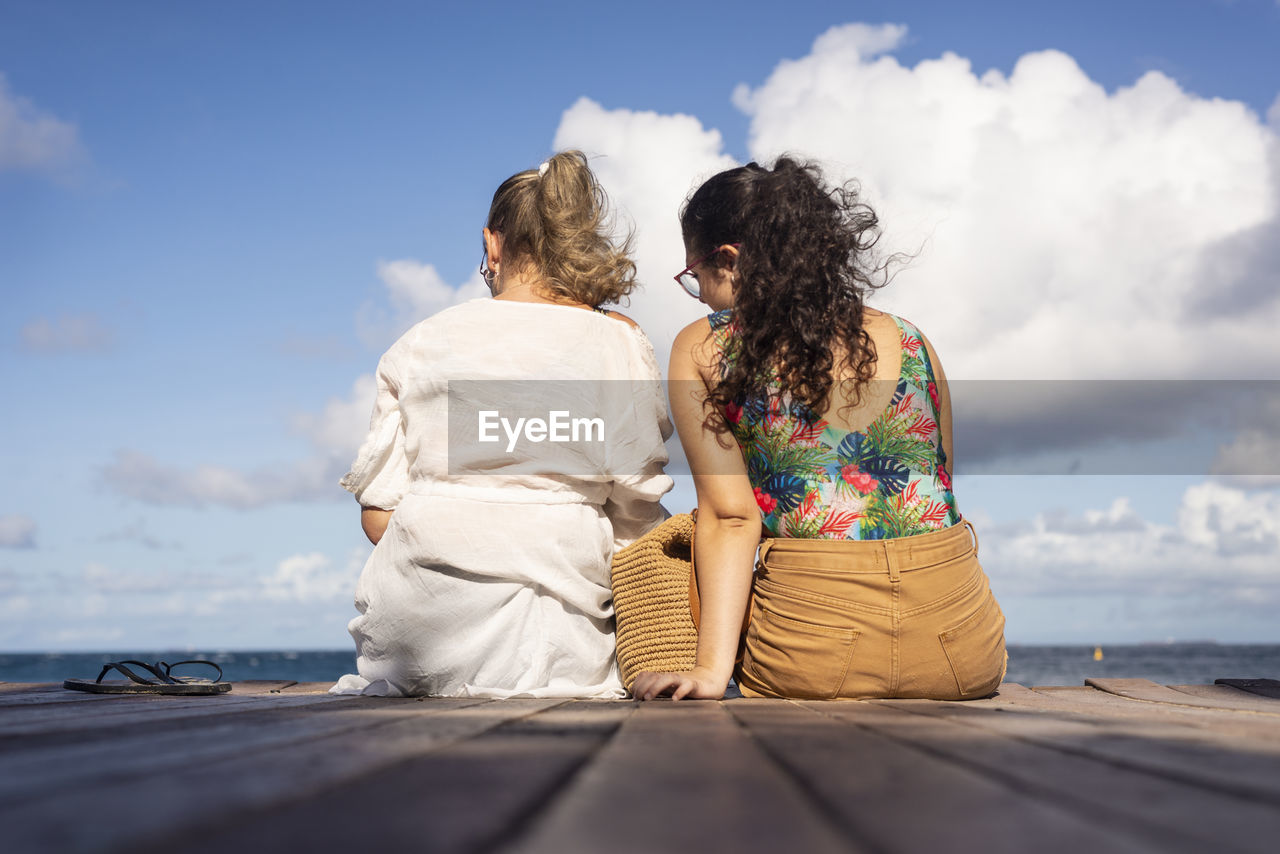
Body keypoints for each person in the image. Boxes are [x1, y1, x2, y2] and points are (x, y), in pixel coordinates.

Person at [633, 158, 1006, 701]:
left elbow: (733, 518)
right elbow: (935, 487)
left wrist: (711, 673)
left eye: (697, 278)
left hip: (816, 651)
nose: (702, 296)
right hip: (962, 650)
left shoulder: (706, 346)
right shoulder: (913, 340)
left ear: (729, 260)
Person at [332, 151, 672, 698]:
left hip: (417, 637)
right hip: (561, 634)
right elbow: (637, 510)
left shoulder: (419, 341)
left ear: (493, 243)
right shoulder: (618, 341)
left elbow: (379, 514)